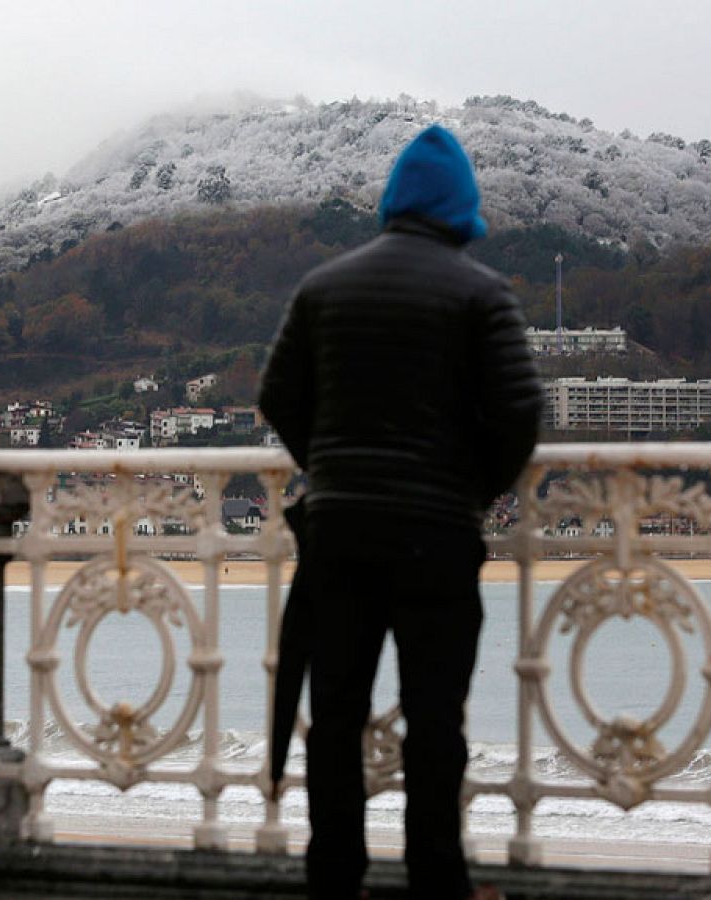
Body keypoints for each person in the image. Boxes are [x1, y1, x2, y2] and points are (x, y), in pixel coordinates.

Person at [258, 124, 542, 899]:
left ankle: (333, 879)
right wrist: (470, 490)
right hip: (436, 540)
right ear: (462, 210)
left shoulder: (324, 287)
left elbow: (276, 396)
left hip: (338, 537)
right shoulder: (482, 293)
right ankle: (436, 882)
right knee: (433, 721)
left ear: (390, 204)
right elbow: (520, 414)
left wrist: (328, 466)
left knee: (337, 717)